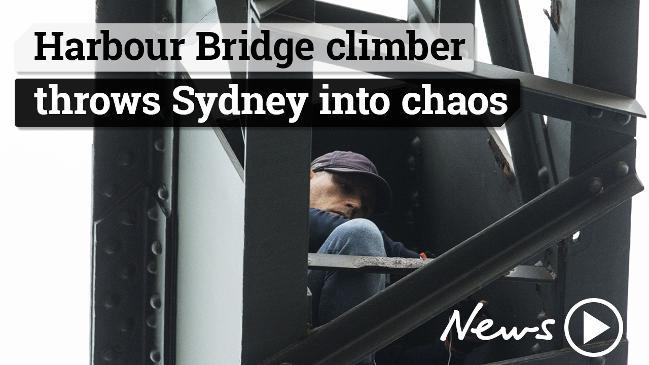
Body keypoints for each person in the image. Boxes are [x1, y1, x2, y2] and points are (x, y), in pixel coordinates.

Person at [307, 150, 420, 364]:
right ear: (308, 177)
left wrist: (454, 350)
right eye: (345, 186)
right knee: (361, 233)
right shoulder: (260, 208)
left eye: (366, 206)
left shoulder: (364, 259)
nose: (356, 204)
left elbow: (390, 357)